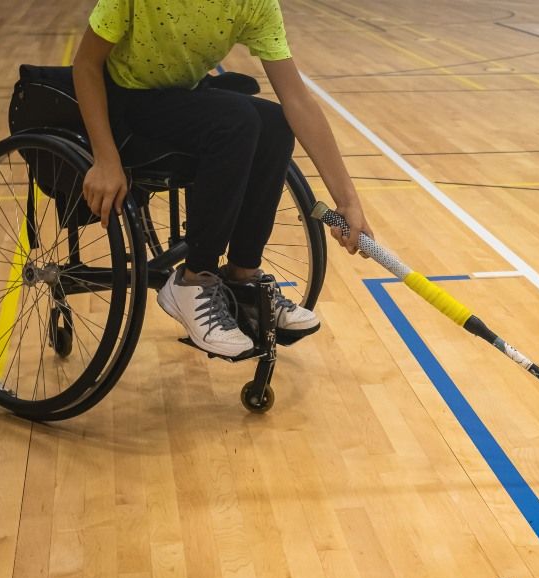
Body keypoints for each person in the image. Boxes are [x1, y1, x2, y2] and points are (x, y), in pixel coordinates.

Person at [72, 0, 372, 357]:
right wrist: (106, 158)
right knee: (237, 119)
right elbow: (86, 65)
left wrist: (348, 202)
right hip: (123, 103)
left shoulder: (253, 3)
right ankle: (192, 280)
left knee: (275, 124)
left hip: (181, 97)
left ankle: (242, 277)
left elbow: (298, 100)